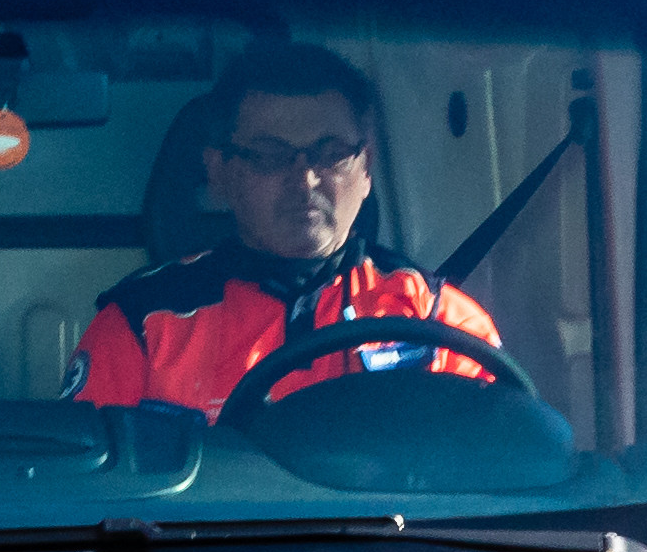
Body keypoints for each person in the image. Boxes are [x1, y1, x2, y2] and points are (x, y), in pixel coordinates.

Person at [76, 40, 503, 412]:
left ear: (367, 168)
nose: (305, 180)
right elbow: (91, 498)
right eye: (270, 155)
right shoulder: (141, 324)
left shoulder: (439, 321)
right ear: (220, 172)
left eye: (330, 152)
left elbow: (491, 482)